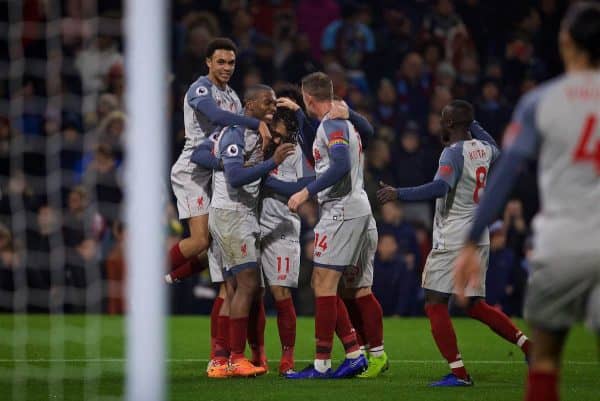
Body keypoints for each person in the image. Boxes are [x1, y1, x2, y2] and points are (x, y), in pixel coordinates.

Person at [454, 4, 600, 401]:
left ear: (566, 42)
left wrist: (470, 238)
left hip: (562, 244)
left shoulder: (542, 101)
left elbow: (505, 175)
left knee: (547, 357)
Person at [378, 100, 531, 386]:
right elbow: (493, 142)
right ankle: (527, 345)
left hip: (453, 236)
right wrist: (470, 121)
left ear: (449, 124)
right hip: (478, 234)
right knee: (473, 304)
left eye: (442, 118)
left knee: (435, 302)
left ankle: (458, 373)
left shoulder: (451, 154)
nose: (438, 123)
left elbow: (440, 187)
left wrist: (398, 192)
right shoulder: (485, 149)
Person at [285, 72, 372, 379]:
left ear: (308, 97)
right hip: (344, 207)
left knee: (324, 283)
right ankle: (353, 352)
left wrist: (305, 192)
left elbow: (339, 164)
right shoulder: (332, 122)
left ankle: (323, 363)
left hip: (343, 209)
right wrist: (297, 114)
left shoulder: (334, 124)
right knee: (321, 282)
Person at [209, 84, 294, 378]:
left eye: (274, 103)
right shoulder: (235, 132)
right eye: (266, 103)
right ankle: (234, 357)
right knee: (247, 285)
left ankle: (221, 360)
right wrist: (273, 162)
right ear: (249, 104)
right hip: (232, 216)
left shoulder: (255, 134)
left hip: (238, 216)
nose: (272, 107)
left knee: (235, 287)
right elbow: (233, 177)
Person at [259, 106, 315, 375]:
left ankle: (287, 357)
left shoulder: (295, 154)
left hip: (282, 228)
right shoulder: (259, 145)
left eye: (281, 134)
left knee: (280, 293)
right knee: (249, 292)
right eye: (273, 132)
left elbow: (303, 187)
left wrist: (266, 181)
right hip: (253, 227)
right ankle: (257, 355)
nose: (276, 139)